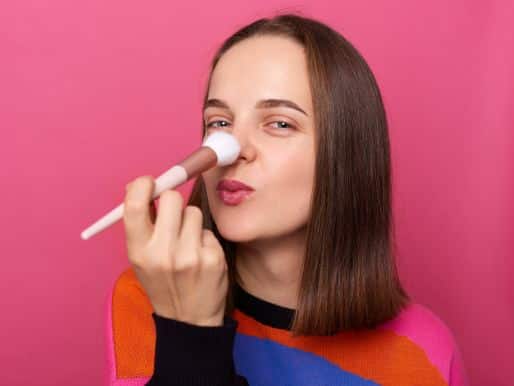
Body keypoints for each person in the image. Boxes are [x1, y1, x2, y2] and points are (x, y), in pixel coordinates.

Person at [106, 13, 469, 386]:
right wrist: (190, 331)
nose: (231, 151)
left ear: (345, 154)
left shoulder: (424, 349)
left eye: (280, 123)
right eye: (219, 122)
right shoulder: (153, 298)